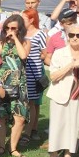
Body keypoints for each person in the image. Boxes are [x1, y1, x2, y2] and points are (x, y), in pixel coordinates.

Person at [47, 24, 79, 157]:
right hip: (60, 93)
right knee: (57, 125)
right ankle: (53, 155)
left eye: (78, 35)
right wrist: (71, 66)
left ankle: (68, 155)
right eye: (71, 35)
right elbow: (53, 76)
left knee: (74, 126)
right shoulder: (60, 53)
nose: (74, 38)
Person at [0, 14, 30, 157]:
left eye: (13, 28)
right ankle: (1, 147)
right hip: (3, 82)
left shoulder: (26, 42)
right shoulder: (1, 43)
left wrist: (15, 38)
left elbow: (23, 56)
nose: (9, 30)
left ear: (19, 29)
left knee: (20, 117)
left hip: (20, 83)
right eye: (7, 28)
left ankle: (13, 148)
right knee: (2, 116)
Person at [22, 8, 48, 141]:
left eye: (24, 19)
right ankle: (27, 127)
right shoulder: (21, 33)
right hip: (23, 70)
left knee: (32, 102)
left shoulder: (39, 34)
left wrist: (35, 58)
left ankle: (28, 131)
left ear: (31, 20)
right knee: (24, 101)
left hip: (34, 71)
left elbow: (45, 53)